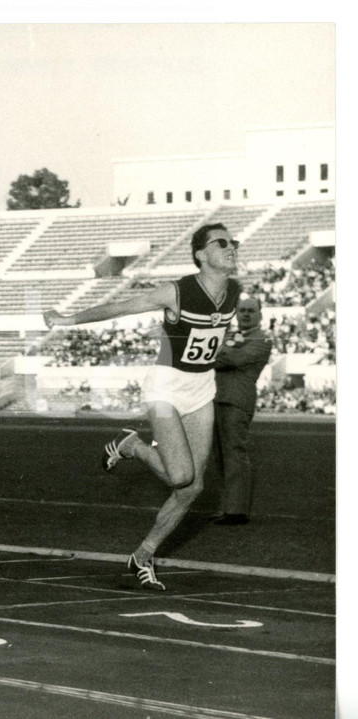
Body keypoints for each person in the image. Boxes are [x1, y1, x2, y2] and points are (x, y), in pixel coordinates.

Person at [44, 223, 241, 591]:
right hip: (165, 387)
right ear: (201, 254)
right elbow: (120, 308)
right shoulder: (176, 291)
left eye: (234, 243)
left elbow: (208, 339)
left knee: (192, 489)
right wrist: (66, 319)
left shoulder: (234, 292)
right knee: (181, 476)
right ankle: (132, 444)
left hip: (201, 389)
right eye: (222, 243)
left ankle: (142, 556)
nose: (232, 248)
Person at [211, 296, 272, 525]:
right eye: (242, 310)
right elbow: (222, 356)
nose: (246, 314)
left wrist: (212, 353)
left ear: (260, 314)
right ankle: (226, 507)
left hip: (237, 401)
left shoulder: (261, 338)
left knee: (234, 453)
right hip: (218, 399)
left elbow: (232, 359)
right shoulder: (234, 336)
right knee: (221, 456)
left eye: (251, 310)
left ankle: (236, 511)